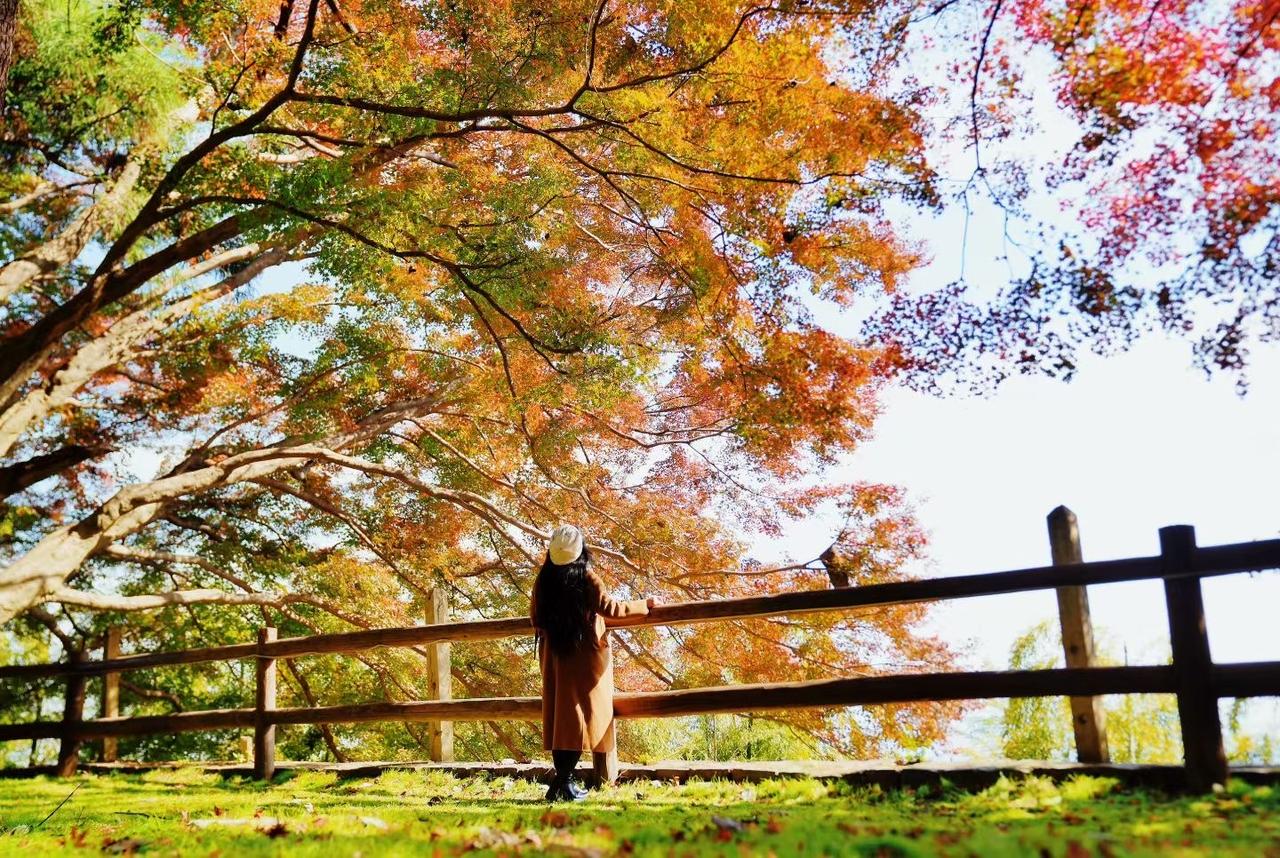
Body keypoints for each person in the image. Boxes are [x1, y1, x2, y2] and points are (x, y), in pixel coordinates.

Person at [529, 524, 655, 802]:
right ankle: (563, 784)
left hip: (555, 658)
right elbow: (612, 609)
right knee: (579, 717)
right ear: (581, 550)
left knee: (563, 718)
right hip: (583, 658)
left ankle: (561, 783)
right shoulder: (586, 578)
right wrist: (645, 604)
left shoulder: (544, 580)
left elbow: (535, 618)